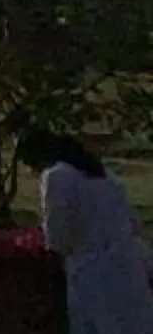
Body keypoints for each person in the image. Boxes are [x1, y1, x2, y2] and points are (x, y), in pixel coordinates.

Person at [25, 129, 153, 334]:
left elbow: (57, 237)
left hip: (92, 271)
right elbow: (133, 222)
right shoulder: (105, 176)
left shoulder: (56, 177)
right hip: (129, 265)